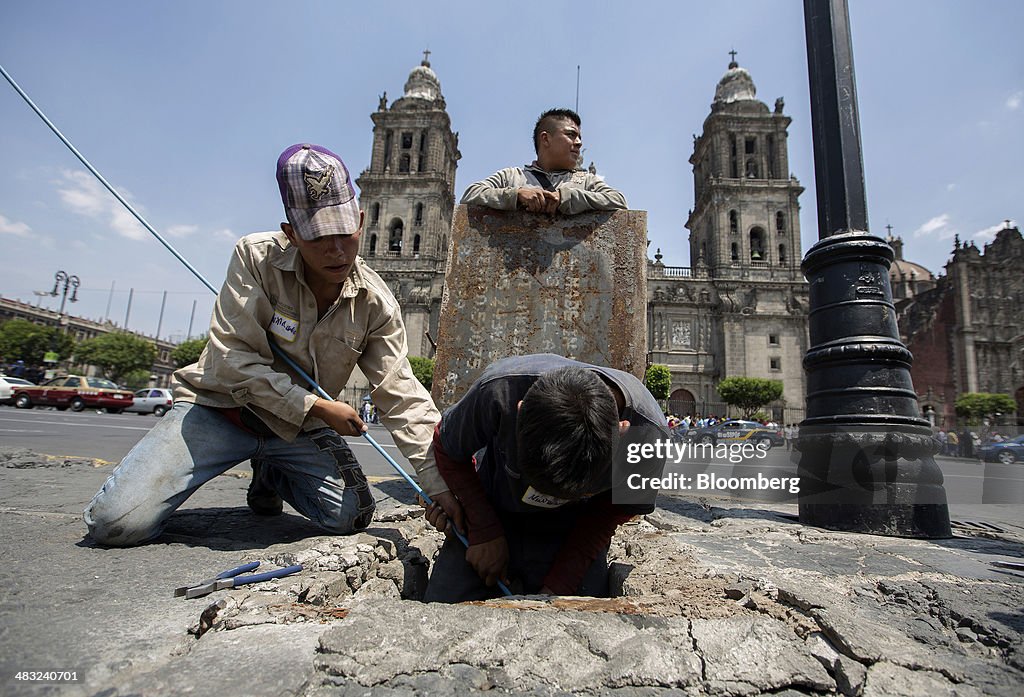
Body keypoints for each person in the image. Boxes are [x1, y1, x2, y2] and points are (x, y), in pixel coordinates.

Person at [84, 143, 453, 546]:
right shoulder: (254, 258)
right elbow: (231, 360)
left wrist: (442, 485)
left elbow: (401, 395)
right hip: (221, 411)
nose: (336, 250)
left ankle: (273, 469)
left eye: (345, 234)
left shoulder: (375, 301)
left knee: (350, 517)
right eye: (318, 237)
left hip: (297, 431)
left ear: (362, 221)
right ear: (291, 233)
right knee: (115, 525)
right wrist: (317, 406)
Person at [421, 354, 668, 602]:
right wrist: (484, 530)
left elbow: (609, 512)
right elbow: (447, 447)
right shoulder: (499, 392)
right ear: (518, 412)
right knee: (441, 607)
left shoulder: (647, 437)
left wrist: (561, 583)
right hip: (494, 507)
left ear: (622, 432)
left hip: (574, 530)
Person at [460, 108, 627, 215]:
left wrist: (565, 198)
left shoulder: (585, 181)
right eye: (571, 135)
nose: (579, 143)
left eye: (579, 137)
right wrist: (516, 195)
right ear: (546, 139)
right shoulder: (511, 177)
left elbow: (619, 201)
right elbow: (470, 195)